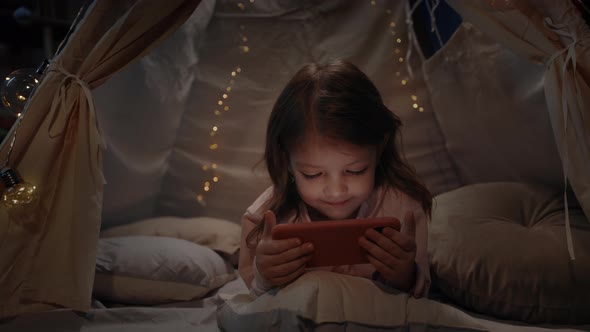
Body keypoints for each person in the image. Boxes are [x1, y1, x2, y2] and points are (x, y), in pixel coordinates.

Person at [238, 59, 432, 298]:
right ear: (286, 160)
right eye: (313, 174)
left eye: (355, 170)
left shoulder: (404, 211)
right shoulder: (263, 219)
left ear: (379, 148)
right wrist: (264, 278)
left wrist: (405, 276)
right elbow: (252, 298)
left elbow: (422, 299)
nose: (337, 191)